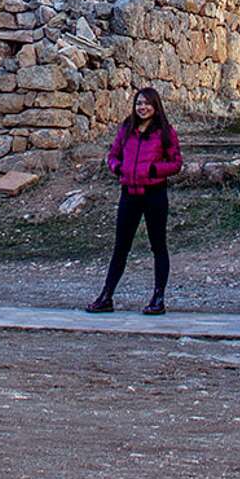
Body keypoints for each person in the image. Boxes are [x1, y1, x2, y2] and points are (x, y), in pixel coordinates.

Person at [86, 87, 183, 316]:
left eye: (147, 103)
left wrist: (152, 170)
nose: (142, 107)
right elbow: (113, 155)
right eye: (139, 103)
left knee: (158, 245)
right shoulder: (126, 129)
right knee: (121, 246)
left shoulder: (165, 132)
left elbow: (176, 163)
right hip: (129, 193)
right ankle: (106, 296)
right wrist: (118, 168)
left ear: (155, 105)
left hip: (154, 194)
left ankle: (158, 298)